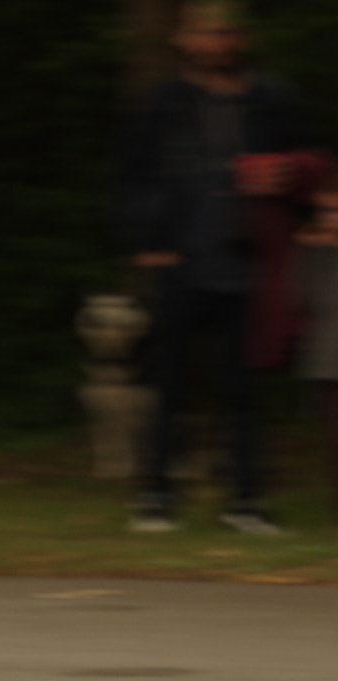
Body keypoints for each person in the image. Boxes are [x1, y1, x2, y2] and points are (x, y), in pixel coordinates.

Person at [114, 2, 307, 535]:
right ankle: (155, 496)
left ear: (242, 38)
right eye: (204, 33)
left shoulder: (271, 100)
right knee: (170, 386)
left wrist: (288, 181)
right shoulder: (163, 102)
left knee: (243, 392)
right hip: (183, 263)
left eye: (225, 33)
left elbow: (307, 170)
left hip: (248, 269)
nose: (216, 43)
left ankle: (247, 503)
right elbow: (133, 176)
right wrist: (145, 239)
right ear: (184, 40)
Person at [294, 185, 338, 520]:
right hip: (327, 357)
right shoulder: (311, 251)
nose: (328, 218)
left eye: (333, 210)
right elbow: (303, 298)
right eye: (322, 211)